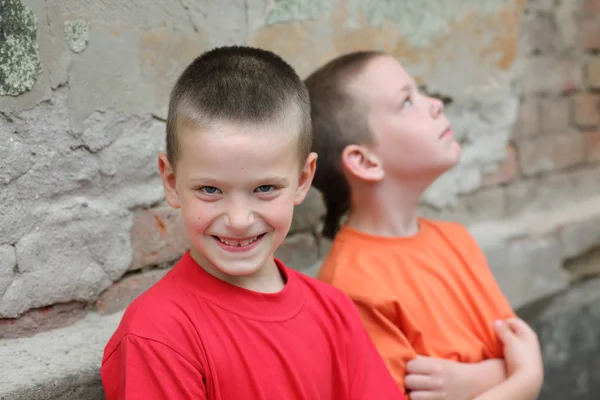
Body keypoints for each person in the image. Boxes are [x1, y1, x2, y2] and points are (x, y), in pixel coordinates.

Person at [100, 46, 405, 400]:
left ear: (303, 179)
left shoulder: (335, 311)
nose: (239, 220)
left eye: (265, 188)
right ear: (171, 182)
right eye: (210, 189)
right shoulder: (158, 335)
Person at [305, 50, 544, 400]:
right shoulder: (351, 289)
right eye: (406, 102)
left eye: (420, 92)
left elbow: (515, 347)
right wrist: (524, 383)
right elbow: (522, 364)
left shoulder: (455, 240)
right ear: (364, 161)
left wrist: (476, 381)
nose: (435, 104)